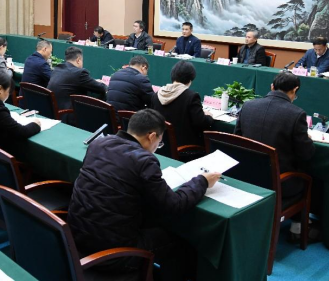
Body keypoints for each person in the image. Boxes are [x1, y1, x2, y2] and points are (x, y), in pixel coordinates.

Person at [67, 109, 220, 281]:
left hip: (77, 239)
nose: (156, 148)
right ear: (152, 136)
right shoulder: (144, 160)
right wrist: (202, 181)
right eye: (159, 143)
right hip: (113, 254)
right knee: (179, 241)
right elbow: (174, 205)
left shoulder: (99, 144)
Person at [235, 71, 315, 240]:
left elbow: (237, 140)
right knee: (307, 173)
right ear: (295, 90)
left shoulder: (248, 106)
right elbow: (306, 154)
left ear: (272, 87)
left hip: (246, 177)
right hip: (279, 183)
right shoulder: (296, 114)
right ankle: (298, 226)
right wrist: (307, 139)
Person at [151, 61, 214, 159]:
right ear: (190, 79)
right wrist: (209, 116)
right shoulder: (191, 96)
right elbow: (201, 122)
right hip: (186, 150)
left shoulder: (157, 95)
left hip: (160, 146)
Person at [47, 46, 107, 124]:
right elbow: (101, 88)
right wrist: (103, 83)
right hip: (68, 116)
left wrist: (92, 81)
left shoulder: (57, 69)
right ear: (78, 60)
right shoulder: (79, 73)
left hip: (52, 112)